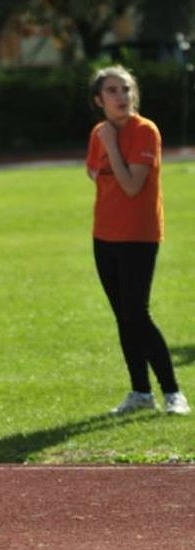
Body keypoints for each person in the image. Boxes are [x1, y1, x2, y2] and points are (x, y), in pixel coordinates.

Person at [86, 65, 190, 415]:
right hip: (104, 235)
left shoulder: (145, 131)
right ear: (99, 100)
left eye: (126, 89)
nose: (121, 96)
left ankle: (173, 392)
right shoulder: (98, 132)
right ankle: (140, 392)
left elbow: (131, 186)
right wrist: (104, 146)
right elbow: (92, 172)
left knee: (136, 312)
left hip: (139, 235)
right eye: (112, 91)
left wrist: (112, 145)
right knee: (123, 316)